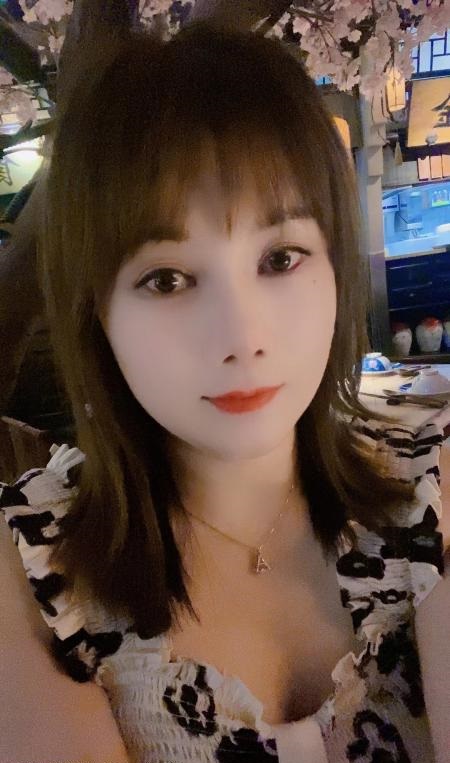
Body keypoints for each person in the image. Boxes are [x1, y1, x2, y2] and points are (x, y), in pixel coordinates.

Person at [1, 21, 449, 763]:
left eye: (281, 258)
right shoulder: (37, 567)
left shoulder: (428, 488)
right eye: (167, 279)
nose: (242, 336)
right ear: (96, 313)